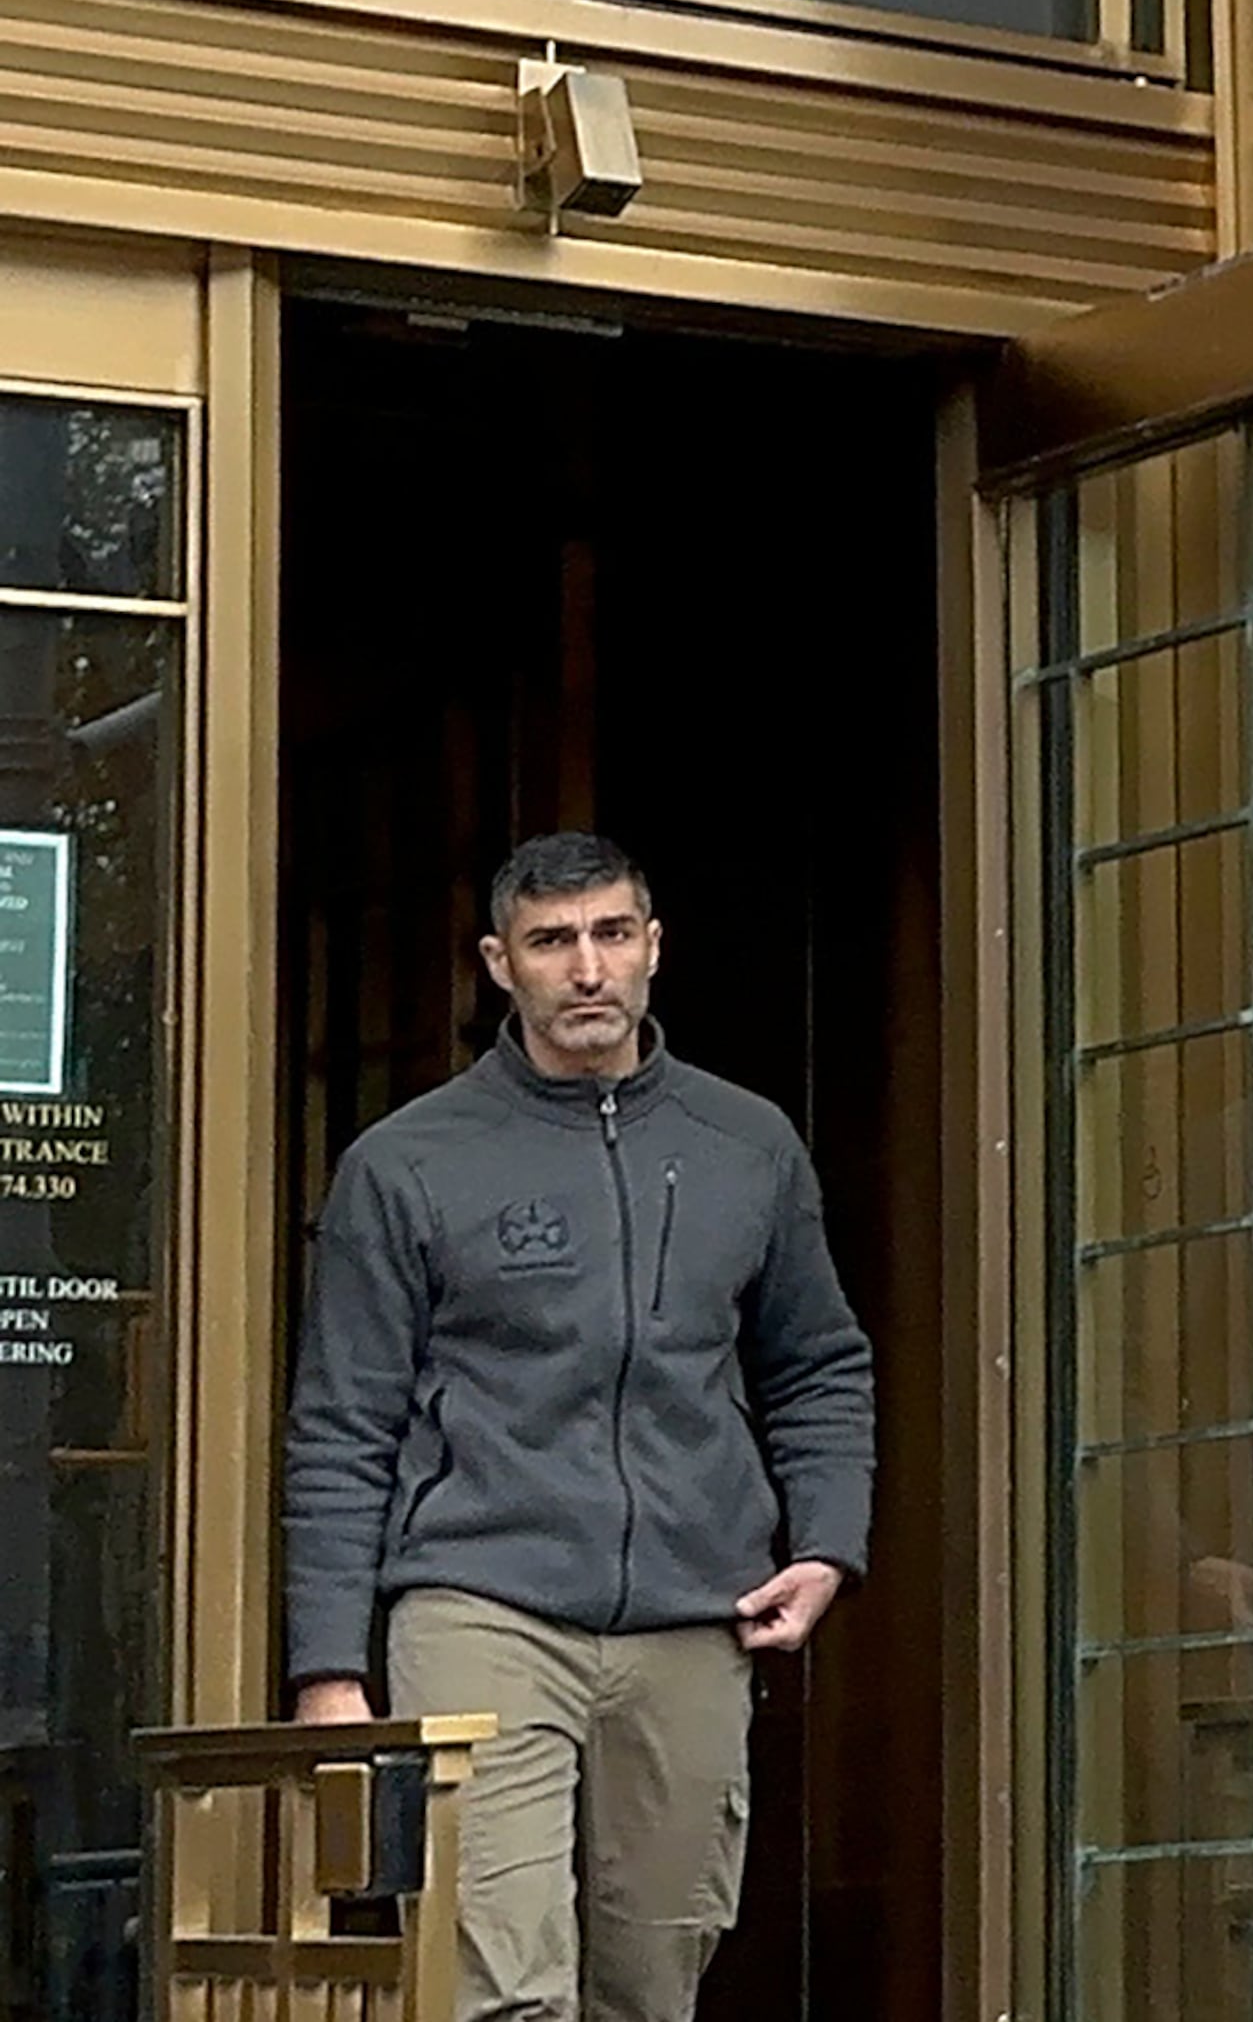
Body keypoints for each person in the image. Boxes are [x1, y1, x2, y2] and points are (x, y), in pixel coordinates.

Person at [281, 831, 878, 2022]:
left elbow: (818, 1364)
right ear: (502, 964)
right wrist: (330, 1669)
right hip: (477, 1601)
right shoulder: (406, 1163)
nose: (587, 968)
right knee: (501, 1982)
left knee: (654, 1983)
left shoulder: (745, 1143)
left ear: (654, 948)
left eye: (611, 934)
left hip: (693, 1612)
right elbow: (342, 1422)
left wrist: (824, 1546)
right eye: (554, 942)